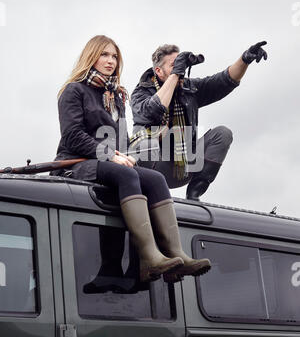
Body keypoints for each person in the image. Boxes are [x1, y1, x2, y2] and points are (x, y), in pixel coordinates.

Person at [50, 35, 211, 286]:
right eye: (104, 54)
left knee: (155, 179)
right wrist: (111, 155)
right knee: (126, 175)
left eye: (114, 56)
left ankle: (174, 254)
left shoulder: (117, 97)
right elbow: (72, 136)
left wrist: (127, 153)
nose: (110, 60)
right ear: (91, 56)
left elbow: (120, 138)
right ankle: (150, 256)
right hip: (76, 163)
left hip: (109, 163)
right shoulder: (74, 90)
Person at [130, 41, 268, 201]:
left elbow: (223, 81)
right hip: (151, 167)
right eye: (174, 66)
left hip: (182, 167)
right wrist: (176, 74)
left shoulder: (189, 88)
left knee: (222, 133)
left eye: (181, 65)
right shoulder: (140, 92)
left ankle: (194, 194)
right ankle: (147, 193)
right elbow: (152, 110)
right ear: (159, 71)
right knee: (146, 143)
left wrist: (244, 60)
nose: (180, 71)